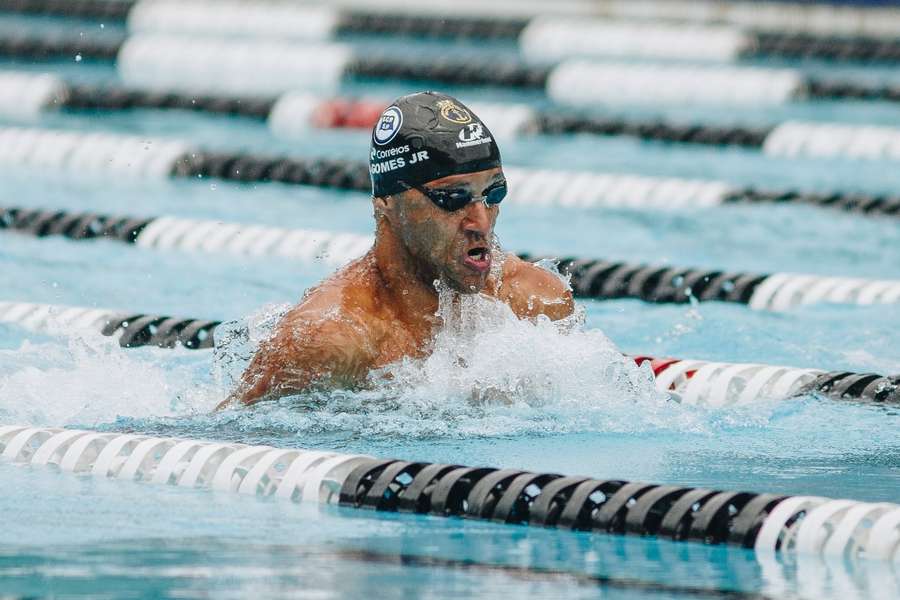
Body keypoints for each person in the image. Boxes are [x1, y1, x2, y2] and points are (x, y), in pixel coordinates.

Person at [223, 92, 574, 407]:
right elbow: (228, 443)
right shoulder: (332, 339)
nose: (481, 221)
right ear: (386, 202)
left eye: (494, 194)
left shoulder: (535, 301)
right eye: (452, 198)